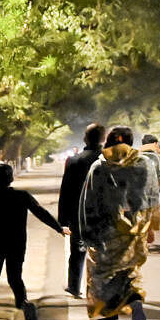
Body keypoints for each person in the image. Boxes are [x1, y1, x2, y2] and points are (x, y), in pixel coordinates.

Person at [80, 126, 160, 320]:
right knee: (128, 269)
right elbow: (151, 199)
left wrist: (87, 232)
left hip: (107, 230)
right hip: (134, 228)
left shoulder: (99, 167)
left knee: (105, 273)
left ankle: (109, 317)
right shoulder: (144, 164)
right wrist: (149, 228)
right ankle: (134, 299)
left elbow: (89, 202)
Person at [0, 163, 67, 320]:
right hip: (17, 243)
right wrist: (59, 228)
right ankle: (24, 303)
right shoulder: (22, 196)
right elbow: (41, 212)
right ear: (11, 178)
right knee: (15, 277)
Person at [58, 123, 105, 297]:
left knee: (77, 253)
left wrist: (62, 221)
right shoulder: (108, 160)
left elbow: (66, 192)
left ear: (85, 138)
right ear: (103, 139)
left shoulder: (74, 160)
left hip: (78, 215)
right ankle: (96, 290)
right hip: (102, 216)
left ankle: (74, 286)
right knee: (100, 254)